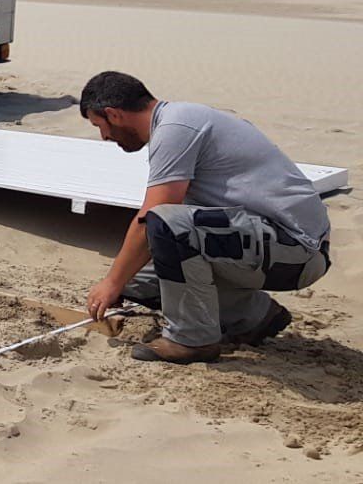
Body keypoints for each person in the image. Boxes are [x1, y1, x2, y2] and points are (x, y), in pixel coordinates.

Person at [79, 71, 331, 363]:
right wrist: (119, 281)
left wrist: (111, 282)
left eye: (100, 126)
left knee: (164, 225)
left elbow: (153, 216)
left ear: (114, 114)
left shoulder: (176, 128)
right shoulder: (178, 121)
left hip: (297, 250)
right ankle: (253, 316)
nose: (104, 137)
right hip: (268, 243)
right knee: (135, 282)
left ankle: (192, 340)